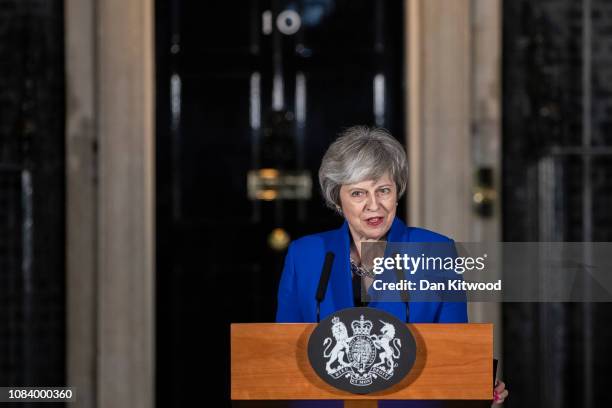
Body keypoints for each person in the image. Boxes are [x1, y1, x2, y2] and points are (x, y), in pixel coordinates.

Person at [275, 126, 508, 405]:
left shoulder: (437, 251)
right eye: (358, 194)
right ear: (337, 199)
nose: (374, 206)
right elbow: (282, 355)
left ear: (397, 192)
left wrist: (477, 390)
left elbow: (455, 352)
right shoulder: (304, 254)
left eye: (383, 190)